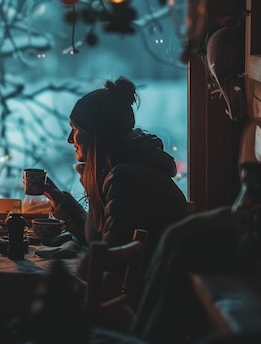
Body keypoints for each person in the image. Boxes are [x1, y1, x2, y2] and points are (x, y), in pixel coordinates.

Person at [42, 77, 192, 291]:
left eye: (74, 129)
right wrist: (61, 201)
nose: (69, 139)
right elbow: (103, 237)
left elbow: (109, 257)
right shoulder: (119, 171)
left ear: (96, 135)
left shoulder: (126, 179)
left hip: (139, 304)